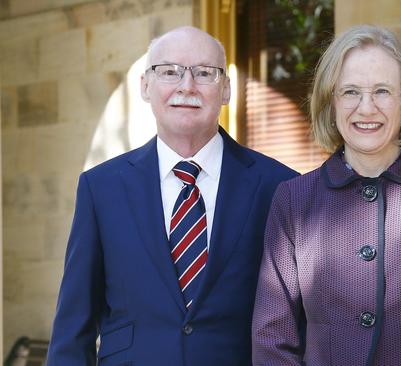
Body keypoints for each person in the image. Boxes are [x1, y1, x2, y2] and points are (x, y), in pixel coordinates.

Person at [47, 26, 297, 365]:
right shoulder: (101, 188)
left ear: (226, 89)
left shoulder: (279, 186)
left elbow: (297, 322)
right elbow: (72, 330)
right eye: (169, 72)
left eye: (204, 73)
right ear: (145, 86)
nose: (187, 86)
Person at [252, 25, 401, 365]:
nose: (366, 108)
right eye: (350, 92)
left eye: (382, 91)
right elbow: (272, 340)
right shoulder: (293, 202)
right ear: (330, 103)